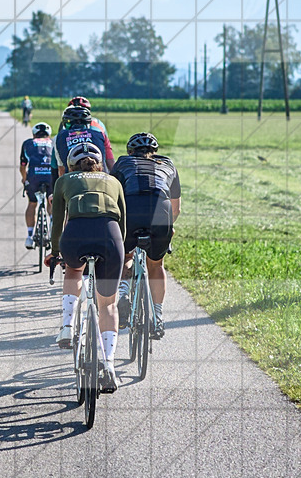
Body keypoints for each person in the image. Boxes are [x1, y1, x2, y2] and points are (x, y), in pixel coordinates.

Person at [44, 142, 126, 393]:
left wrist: (56, 252)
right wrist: (123, 254)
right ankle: (109, 365)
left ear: (70, 165)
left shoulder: (64, 181)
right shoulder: (113, 181)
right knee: (108, 304)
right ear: (100, 164)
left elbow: (58, 221)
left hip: (76, 235)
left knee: (74, 270)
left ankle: (67, 327)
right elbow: (123, 222)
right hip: (110, 237)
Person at [110, 132, 181, 339]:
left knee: (125, 256)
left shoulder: (123, 163)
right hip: (161, 211)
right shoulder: (168, 164)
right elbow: (176, 209)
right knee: (156, 264)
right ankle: (158, 318)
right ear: (155, 151)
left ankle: (123, 292)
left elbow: (114, 198)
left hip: (131, 209)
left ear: (130, 151)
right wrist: (167, 229)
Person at [52, 105, 114, 177]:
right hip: (100, 178)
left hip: (73, 180)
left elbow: (61, 169)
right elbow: (110, 162)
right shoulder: (101, 134)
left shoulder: (58, 137)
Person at [19, 122, 54, 248]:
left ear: (34, 134)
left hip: (34, 176)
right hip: (51, 176)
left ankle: (29, 237)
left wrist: (24, 179)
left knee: (32, 203)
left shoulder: (28, 143)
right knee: (51, 202)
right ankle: (52, 227)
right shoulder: (53, 142)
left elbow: (23, 166)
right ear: (49, 134)